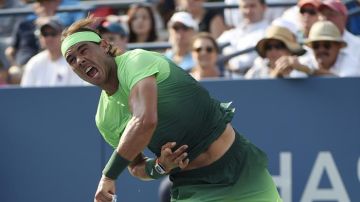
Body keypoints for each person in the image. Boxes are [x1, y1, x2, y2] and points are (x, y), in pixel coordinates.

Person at [61, 16, 282, 202]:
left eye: (84, 50)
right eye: (71, 59)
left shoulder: (136, 61)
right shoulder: (105, 118)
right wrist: (159, 167)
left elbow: (145, 120)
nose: (79, 60)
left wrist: (108, 175)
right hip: (193, 188)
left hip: (242, 167)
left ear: (104, 46)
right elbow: (136, 166)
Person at [20, 18, 85, 87]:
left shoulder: (73, 61)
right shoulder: (34, 62)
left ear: (63, 36)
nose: (49, 38)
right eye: (45, 34)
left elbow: (77, 92)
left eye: (53, 34)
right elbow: (26, 92)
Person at [217, 0, 269, 78]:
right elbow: (213, 49)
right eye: (244, 7)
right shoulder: (231, 33)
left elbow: (246, 63)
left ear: (264, 7)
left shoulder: (268, 32)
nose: (248, 11)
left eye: (252, 6)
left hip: (253, 80)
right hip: (225, 78)